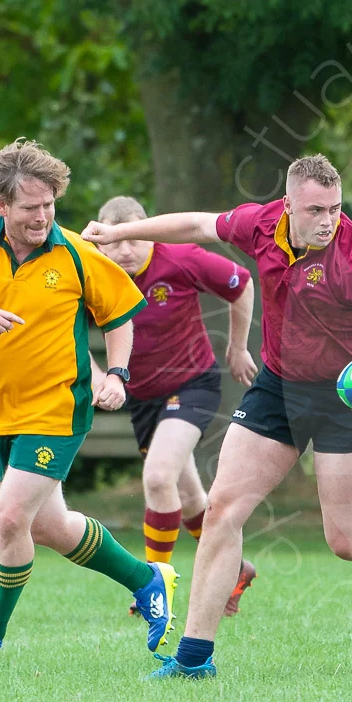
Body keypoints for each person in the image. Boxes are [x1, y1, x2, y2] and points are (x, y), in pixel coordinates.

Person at [81, 154, 352, 678]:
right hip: (280, 386)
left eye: (335, 209)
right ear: (288, 205)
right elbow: (198, 225)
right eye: (315, 210)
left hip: (345, 398)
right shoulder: (262, 224)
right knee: (222, 509)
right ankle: (194, 659)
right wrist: (119, 232)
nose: (327, 221)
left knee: (344, 540)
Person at [0, 139, 176, 670]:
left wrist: (118, 374)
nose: (42, 217)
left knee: (11, 518)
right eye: (30, 207)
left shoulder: (75, 253)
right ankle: (146, 579)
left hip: (58, 408)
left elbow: (120, 315)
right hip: (0, 412)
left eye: (49, 204)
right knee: (47, 527)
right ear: (2, 205)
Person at [91, 196, 260, 617]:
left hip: (192, 385)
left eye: (134, 238)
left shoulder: (180, 258)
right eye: (115, 241)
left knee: (158, 476)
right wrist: (99, 377)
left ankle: (153, 586)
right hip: (143, 398)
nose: (125, 250)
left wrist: (238, 347)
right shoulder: (90, 273)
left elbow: (241, 283)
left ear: (148, 232)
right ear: (100, 241)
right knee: (186, 494)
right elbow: (65, 329)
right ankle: (235, 570)